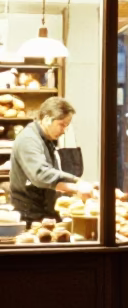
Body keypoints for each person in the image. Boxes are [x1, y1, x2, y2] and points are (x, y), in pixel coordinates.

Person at [10, 96, 94, 224]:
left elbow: (52, 173)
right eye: (61, 125)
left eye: (66, 126)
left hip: (42, 211)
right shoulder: (29, 140)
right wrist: (76, 183)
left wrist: (78, 185)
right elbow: (41, 174)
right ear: (47, 119)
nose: (64, 131)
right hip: (31, 215)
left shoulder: (45, 138)